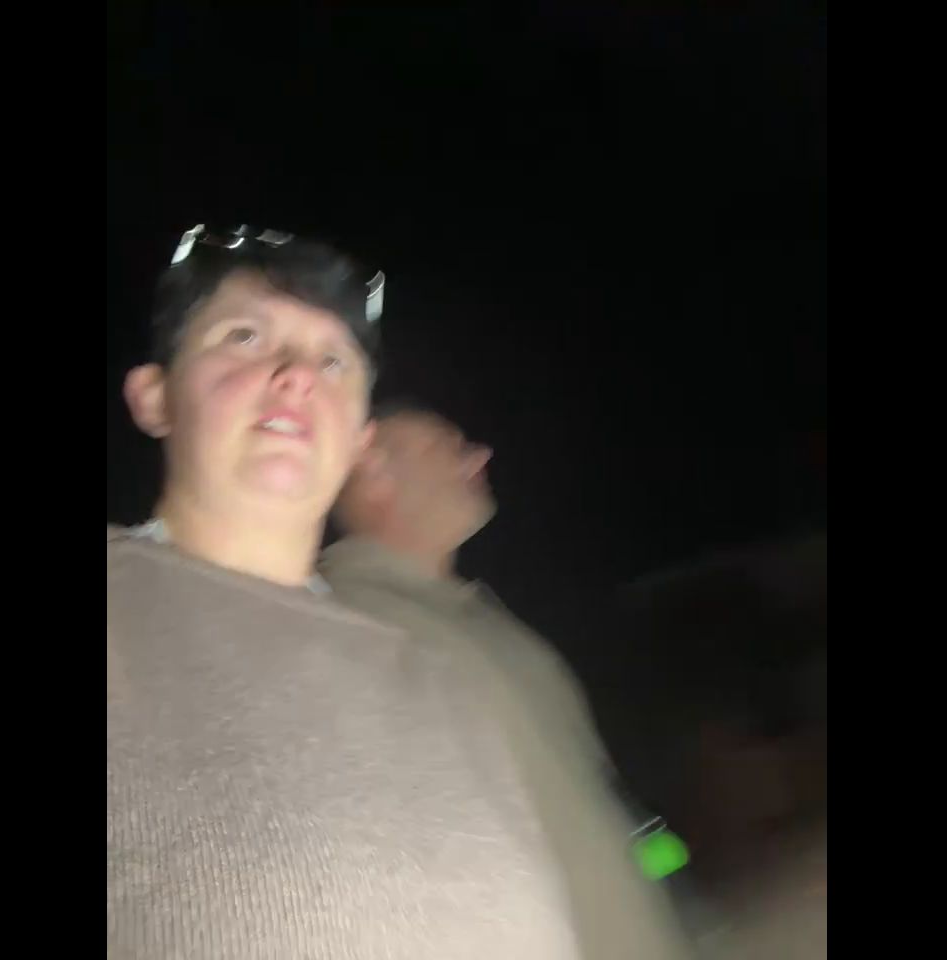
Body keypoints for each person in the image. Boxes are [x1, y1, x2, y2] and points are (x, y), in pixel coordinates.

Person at [107, 226, 597, 959]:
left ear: (357, 436)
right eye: (245, 337)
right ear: (153, 397)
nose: (297, 375)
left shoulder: (440, 685)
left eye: (332, 360)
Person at [321, 403, 690, 960]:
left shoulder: (484, 621)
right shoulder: (346, 623)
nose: (480, 454)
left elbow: (594, 794)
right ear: (374, 469)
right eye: (447, 446)